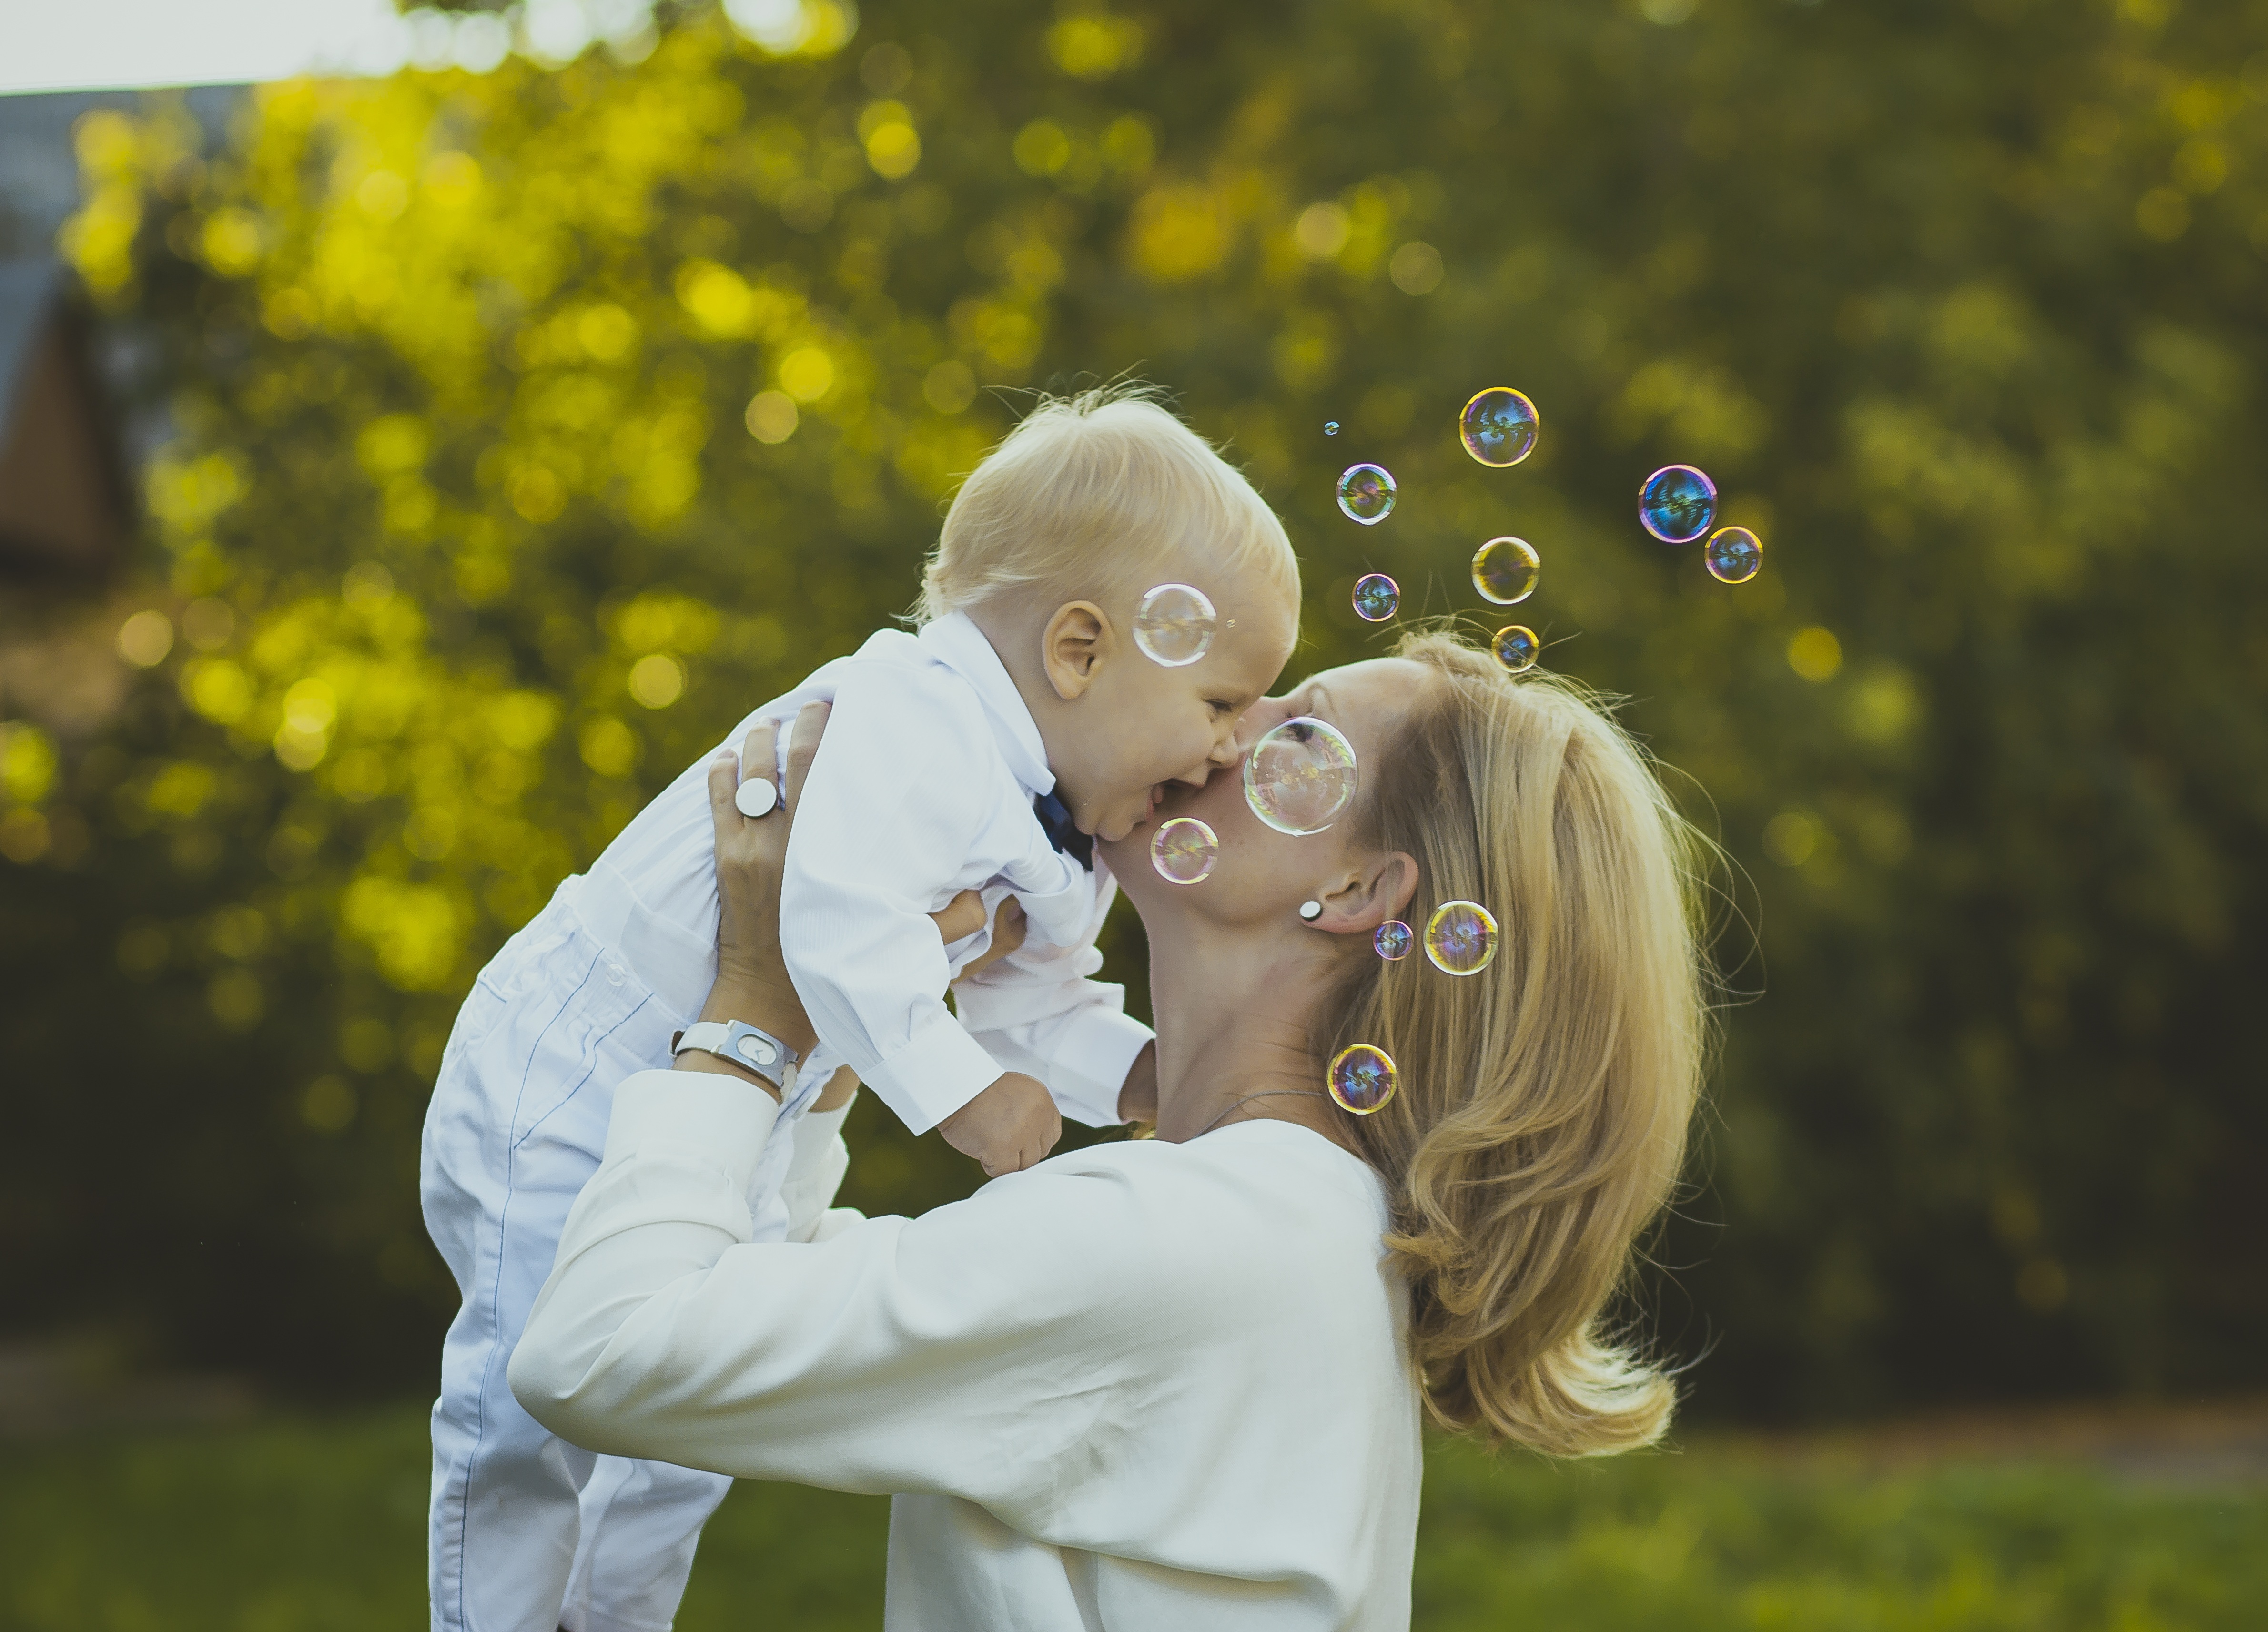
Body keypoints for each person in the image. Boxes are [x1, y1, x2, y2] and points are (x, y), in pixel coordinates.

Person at [510, 630, 1709, 1630]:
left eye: (1295, 731)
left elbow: (607, 1350)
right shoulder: (1279, 1224)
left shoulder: (1196, 1241)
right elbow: (759, 1297)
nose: (1225, 733)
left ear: (1355, 895)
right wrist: (840, 1027)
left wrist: (757, 1008)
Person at [420, 389, 1302, 1632]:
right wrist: (963, 1096)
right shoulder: (918, 718)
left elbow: (1034, 1007)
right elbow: (833, 919)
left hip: (747, 1098)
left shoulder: (1076, 834)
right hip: (576, 1054)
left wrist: (1151, 1078)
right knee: (527, 1396)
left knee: (685, 1414)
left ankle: (608, 1619)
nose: (1227, 750)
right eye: (1220, 702)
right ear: (1081, 652)